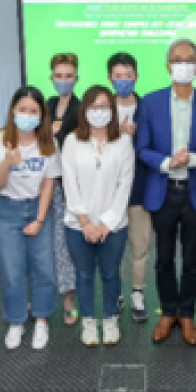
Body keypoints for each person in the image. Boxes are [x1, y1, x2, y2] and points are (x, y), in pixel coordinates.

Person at [136, 38, 196, 346]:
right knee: (162, 259)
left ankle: (187, 314)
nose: (183, 64)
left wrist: (194, 159)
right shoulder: (150, 102)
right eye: (177, 59)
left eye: (189, 60)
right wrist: (165, 162)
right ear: (167, 66)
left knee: (190, 260)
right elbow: (142, 148)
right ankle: (167, 312)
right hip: (163, 190)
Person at [0, 86, 59, 351]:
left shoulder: (49, 142)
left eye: (33, 111)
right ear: (13, 111)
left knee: (44, 269)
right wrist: (7, 162)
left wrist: (39, 219)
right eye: (22, 110)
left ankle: (41, 319)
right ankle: (16, 320)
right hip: (7, 210)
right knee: (11, 270)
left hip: (38, 209)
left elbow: (49, 184)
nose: (27, 115)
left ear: (42, 115)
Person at [61, 85, 135, 347]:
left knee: (111, 274)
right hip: (77, 224)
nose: (99, 112)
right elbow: (69, 183)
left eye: (104, 106)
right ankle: (89, 322)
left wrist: (106, 223)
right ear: (84, 111)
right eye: (93, 106)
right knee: (83, 275)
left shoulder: (123, 142)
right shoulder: (72, 141)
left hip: (113, 226)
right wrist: (85, 223)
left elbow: (125, 185)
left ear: (112, 111)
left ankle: (110, 319)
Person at [108, 52, 152, 323]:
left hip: (140, 188)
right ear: (109, 79)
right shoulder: (101, 108)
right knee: (114, 248)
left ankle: (137, 293)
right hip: (109, 191)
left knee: (140, 245)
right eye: (118, 76)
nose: (124, 80)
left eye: (128, 75)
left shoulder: (148, 106)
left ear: (136, 76)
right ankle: (116, 294)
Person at [46, 53, 80, 325]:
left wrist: (58, 134)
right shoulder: (44, 105)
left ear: (76, 78)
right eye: (59, 76)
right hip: (45, 185)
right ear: (51, 78)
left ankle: (70, 298)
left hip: (69, 187)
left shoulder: (82, 110)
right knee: (43, 245)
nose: (63, 81)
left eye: (68, 76)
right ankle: (44, 296)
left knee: (65, 246)